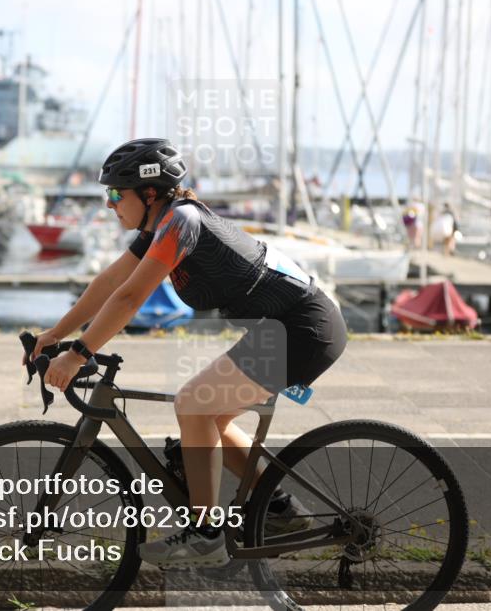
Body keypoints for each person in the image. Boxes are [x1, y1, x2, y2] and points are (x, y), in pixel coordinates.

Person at [25, 138, 347, 568]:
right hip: (282, 325)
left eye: (117, 193)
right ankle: (281, 511)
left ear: (150, 193)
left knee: (193, 403)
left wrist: (79, 353)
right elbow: (108, 285)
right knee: (208, 415)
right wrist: (54, 334)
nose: (108, 203)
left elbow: (129, 299)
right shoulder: (162, 225)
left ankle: (206, 536)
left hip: (305, 328)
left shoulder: (182, 221)